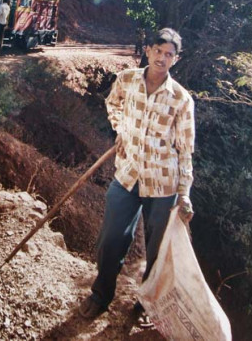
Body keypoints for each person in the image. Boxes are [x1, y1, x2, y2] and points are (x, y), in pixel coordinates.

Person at [78, 28, 195, 321]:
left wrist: (184, 194)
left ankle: (146, 305)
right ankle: (101, 294)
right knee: (111, 239)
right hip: (128, 174)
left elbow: (184, 150)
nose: (162, 58)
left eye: (169, 54)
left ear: (175, 60)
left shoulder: (181, 99)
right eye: (158, 51)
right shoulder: (127, 79)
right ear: (148, 50)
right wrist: (121, 130)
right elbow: (112, 104)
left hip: (163, 184)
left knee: (156, 252)